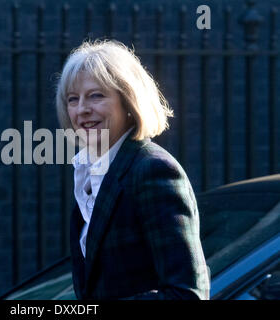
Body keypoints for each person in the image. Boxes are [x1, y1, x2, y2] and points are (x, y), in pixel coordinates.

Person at [55, 40, 210, 300]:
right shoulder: (90, 175)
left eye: (96, 95)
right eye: (73, 99)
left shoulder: (153, 170)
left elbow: (188, 295)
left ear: (128, 101)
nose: (81, 109)